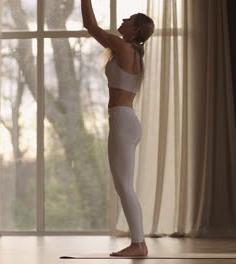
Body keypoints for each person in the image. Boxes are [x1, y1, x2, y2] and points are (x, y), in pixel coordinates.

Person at [81, 0, 155, 257]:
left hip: (123, 121)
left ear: (135, 30)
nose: (122, 21)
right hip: (126, 120)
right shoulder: (129, 51)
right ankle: (139, 243)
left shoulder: (124, 48)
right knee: (124, 185)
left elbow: (90, 26)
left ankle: (138, 244)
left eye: (128, 20)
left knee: (124, 186)